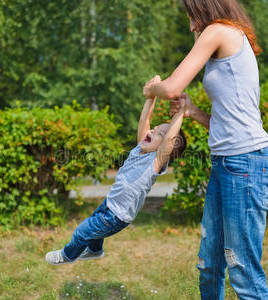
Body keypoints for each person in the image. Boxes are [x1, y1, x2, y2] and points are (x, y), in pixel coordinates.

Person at [142, 0, 268, 299]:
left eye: (192, 16)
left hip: (246, 164)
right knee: (209, 265)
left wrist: (152, 89)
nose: (191, 25)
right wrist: (192, 112)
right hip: (227, 164)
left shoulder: (219, 31)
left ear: (207, 8)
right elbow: (228, 120)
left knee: (242, 271)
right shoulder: (224, 35)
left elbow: (173, 87)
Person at [45, 78, 187, 265]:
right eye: (155, 128)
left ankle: (68, 255)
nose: (152, 130)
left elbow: (169, 140)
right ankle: (96, 251)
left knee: (83, 231)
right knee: (94, 229)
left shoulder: (155, 162)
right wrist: (150, 97)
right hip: (109, 204)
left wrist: (181, 112)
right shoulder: (140, 150)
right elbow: (145, 120)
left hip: (117, 216)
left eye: (160, 133)